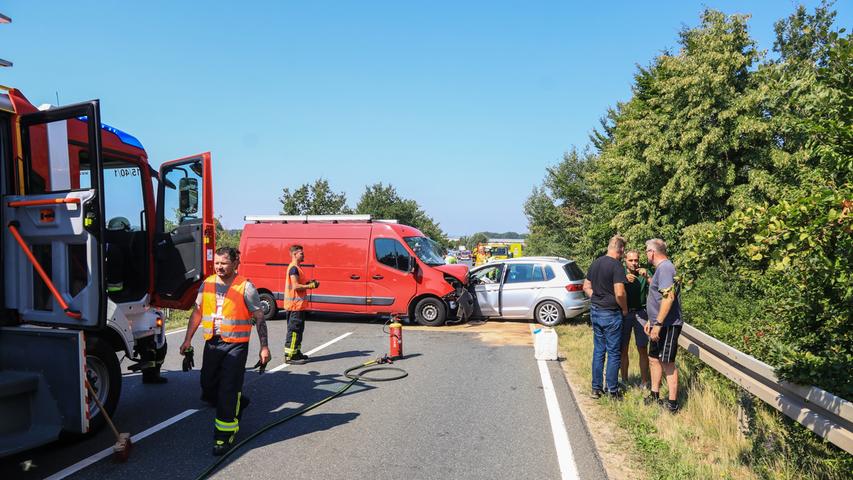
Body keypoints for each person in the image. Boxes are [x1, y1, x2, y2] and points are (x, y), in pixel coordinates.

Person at [180, 247, 271, 455]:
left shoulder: (246, 287)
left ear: (235, 263)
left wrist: (264, 346)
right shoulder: (207, 284)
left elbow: (259, 317)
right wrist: (187, 339)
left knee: (228, 389)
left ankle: (224, 436)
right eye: (217, 263)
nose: (219, 267)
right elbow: (197, 313)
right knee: (208, 385)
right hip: (212, 342)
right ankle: (240, 401)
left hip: (236, 345)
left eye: (224, 263)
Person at [583, 235, 628, 399]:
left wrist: (597, 297)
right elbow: (620, 292)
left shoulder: (596, 263)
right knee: (614, 352)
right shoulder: (617, 266)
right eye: (623, 250)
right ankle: (612, 390)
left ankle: (596, 388)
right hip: (611, 313)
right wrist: (624, 308)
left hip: (595, 310)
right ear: (621, 249)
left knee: (599, 350)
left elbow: (586, 286)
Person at [643, 239, 682, 413]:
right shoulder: (660, 269)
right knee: (653, 358)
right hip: (658, 323)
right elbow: (658, 298)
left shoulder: (666, 267)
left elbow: (668, 297)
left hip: (667, 325)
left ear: (652, 252)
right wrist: (651, 320)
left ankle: (672, 404)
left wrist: (658, 324)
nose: (646, 254)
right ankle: (654, 394)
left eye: (646, 251)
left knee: (667, 362)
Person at [620, 250, 651, 388]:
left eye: (636, 260)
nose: (634, 263)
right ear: (625, 261)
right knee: (623, 348)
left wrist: (648, 276)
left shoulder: (645, 273)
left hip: (641, 312)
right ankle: (624, 380)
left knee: (642, 348)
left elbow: (659, 290)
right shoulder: (620, 273)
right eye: (631, 260)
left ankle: (644, 382)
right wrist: (624, 280)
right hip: (625, 313)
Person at [283, 244, 319, 364]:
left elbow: (300, 283)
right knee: (294, 331)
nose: (303, 255)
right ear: (294, 254)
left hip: (299, 306)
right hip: (294, 306)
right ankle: (290, 356)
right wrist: (310, 286)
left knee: (298, 331)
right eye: (301, 253)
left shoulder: (298, 268)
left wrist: (309, 282)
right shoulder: (293, 268)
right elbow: (296, 286)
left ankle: (296, 353)